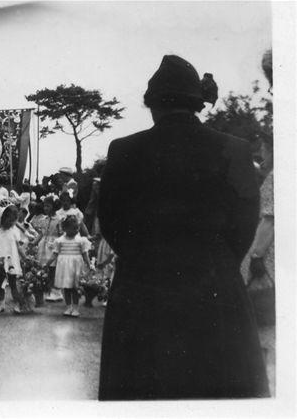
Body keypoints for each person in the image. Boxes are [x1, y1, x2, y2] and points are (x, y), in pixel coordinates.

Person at [97, 55, 269, 399]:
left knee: (144, 392)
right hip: (215, 288)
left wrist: (142, 257)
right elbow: (245, 223)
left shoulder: (123, 150)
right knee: (216, 391)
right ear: (197, 103)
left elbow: (112, 222)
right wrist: (216, 260)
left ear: (152, 105)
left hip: (141, 291)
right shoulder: (234, 150)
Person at [241, 132, 274, 326]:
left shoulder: (274, 177)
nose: (260, 153)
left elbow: (270, 221)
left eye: (263, 148)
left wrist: (256, 256)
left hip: (267, 255)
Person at [45, 216, 92, 317]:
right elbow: (55, 254)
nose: (76, 230)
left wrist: (89, 264)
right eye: (73, 228)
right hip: (64, 267)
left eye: (77, 228)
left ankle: (75, 308)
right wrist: (47, 264)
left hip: (75, 266)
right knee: (66, 288)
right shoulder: (60, 241)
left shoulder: (81, 240)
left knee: (74, 288)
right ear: (65, 228)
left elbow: (85, 254)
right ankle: (68, 307)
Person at [0, 205, 26, 314]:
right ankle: (1, 304)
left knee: (13, 284)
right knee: (0, 284)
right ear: (3, 218)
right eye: (10, 220)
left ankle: (19, 304)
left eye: (14, 221)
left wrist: (25, 258)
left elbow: (18, 247)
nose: (12, 223)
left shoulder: (14, 232)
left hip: (11, 262)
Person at [32, 194, 62, 302]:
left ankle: (56, 291)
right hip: (44, 245)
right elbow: (41, 233)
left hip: (54, 245)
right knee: (47, 268)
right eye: (44, 206)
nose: (45, 208)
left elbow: (61, 234)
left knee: (53, 268)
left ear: (54, 206)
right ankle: (50, 290)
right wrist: (34, 243)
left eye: (48, 206)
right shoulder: (44, 219)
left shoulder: (59, 219)